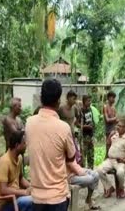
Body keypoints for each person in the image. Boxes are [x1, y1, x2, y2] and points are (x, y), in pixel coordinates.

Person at [25, 79, 76, 211]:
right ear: (59, 101)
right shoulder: (64, 128)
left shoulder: (29, 123)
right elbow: (71, 159)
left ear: (41, 99)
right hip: (57, 197)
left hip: (37, 197)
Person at [0, 131, 32, 211]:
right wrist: (24, 192)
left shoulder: (19, 158)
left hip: (16, 198)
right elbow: (3, 190)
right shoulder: (4, 162)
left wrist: (31, 187)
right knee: (34, 202)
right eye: (24, 143)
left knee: (40, 198)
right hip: (6, 203)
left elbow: (21, 179)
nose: (26, 145)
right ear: (17, 145)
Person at [97, 119, 125, 199]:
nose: (118, 128)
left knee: (120, 172)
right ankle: (109, 187)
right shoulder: (115, 135)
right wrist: (110, 135)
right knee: (99, 170)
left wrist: (124, 160)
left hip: (120, 161)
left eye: (120, 126)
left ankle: (121, 188)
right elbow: (107, 143)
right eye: (118, 126)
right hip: (110, 160)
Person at [59, 90, 81, 164]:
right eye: (73, 98)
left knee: (73, 154)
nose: (75, 101)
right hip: (62, 135)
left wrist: (75, 124)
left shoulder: (74, 108)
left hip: (71, 134)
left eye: (75, 99)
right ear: (68, 98)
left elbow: (79, 117)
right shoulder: (61, 108)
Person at [80, 95, 95, 169]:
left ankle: (91, 170)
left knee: (91, 154)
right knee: (83, 155)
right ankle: (83, 171)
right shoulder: (81, 111)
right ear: (84, 101)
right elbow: (77, 123)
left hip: (90, 135)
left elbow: (91, 120)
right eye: (88, 101)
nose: (89, 102)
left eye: (90, 101)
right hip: (84, 136)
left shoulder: (90, 109)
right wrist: (85, 126)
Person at [103, 91, 117, 158]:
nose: (114, 99)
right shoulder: (105, 107)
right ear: (108, 98)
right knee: (108, 147)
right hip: (108, 130)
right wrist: (115, 118)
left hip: (114, 130)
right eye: (112, 97)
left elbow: (115, 120)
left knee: (113, 148)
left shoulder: (114, 108)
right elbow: (107, 119)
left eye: (114, 98)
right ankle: (106, 163)